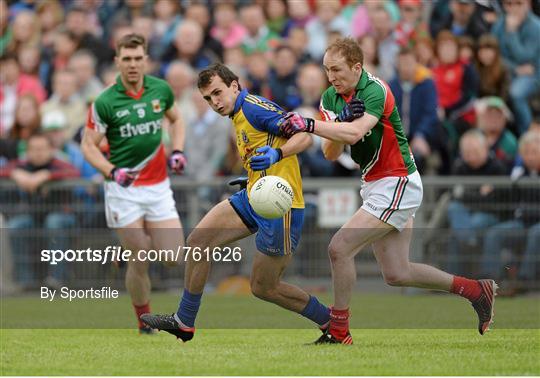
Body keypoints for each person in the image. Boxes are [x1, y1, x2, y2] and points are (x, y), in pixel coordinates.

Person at [279, 38, 497, 344]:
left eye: (337, 69)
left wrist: (312, 125)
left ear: (357, 67)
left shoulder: (375, 89)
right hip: (375, 184)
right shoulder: (331, 97)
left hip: (398, 181)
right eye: (327, 69)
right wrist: (337, 121)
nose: (331, 76)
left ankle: (339, 330)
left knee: (338, 248)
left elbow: (355, 133)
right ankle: (476, 290)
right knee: (397, 272)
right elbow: (331, 152)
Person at [141, 63, 340, 343]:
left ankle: (332, 322)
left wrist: (277, 154)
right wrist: (253, 176)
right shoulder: (236, 114)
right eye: (208, 98)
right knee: (199, 242)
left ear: (235, 85)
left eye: (218, 93)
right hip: (255, 195)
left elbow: (304, 137)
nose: (214, 102)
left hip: (280, 205)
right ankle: (184, 321)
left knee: (263, 287)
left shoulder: (255, 108)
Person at [81, 33, 186, 334]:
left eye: (138, 58)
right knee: (140, 254)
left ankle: (125, 250)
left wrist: (177, 150)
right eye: (126, 59)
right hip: (123, 189)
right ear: (117, 62)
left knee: (173, 258)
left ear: (146, 60)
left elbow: (177, 120)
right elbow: (89, 145)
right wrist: (111, 170)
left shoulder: (160, 90)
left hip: (158, 187)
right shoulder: (105, 101)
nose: (132, 64)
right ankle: (144, 322)